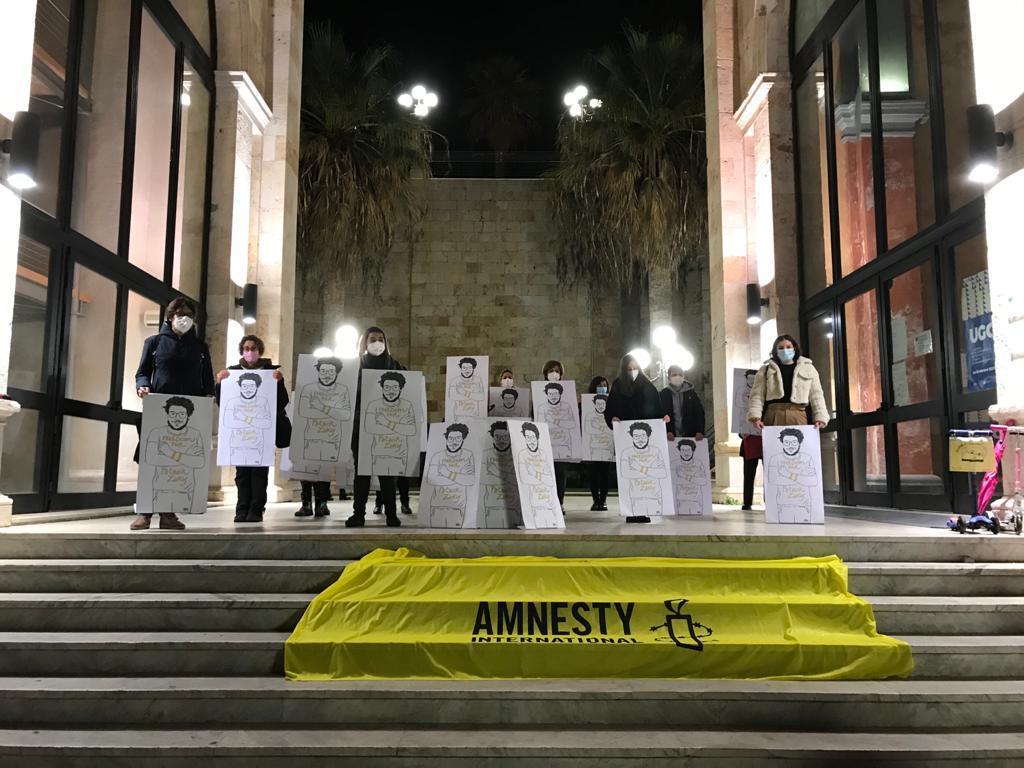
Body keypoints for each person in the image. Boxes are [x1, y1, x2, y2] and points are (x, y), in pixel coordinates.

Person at [132, 297, 215, 531]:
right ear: (169, 317)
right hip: (158, 410)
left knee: (177, 463)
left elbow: (206, 377)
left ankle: (169, 513)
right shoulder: (154, 342)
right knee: (151, 461)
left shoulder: (200, 347)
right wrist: (143, 386)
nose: (184, 318)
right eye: (179, 313)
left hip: (188, 412)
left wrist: (209, 394)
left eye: (188, 313)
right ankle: (144, 513)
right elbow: (142, 372)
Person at [215, 335, 289, 524]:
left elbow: (282, 403)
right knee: (241, 474)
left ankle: (256, 509)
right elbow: (222, 402)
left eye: (253, 348)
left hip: (261, 436)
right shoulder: (232, 373)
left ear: (260, 351)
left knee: (259, 473)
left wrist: (279, 383)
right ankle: (241, 509)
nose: (250, 352)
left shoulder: (271, 372)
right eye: (246, 348)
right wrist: (219, 383)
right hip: (240, 436)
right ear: (242, 351)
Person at [347, 326, 406, 528]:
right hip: (360, 426)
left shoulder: (395, 365)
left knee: (387, 473)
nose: (377, 342)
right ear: (365, 342)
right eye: (372, 339)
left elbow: (410, 387)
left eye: (381, 339)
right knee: (361, 473)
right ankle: (358, 514)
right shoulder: (355, 366)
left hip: (387, 430)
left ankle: (391, 514)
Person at [604, 354, 671, 523]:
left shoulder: (648, 386)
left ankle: (645, 509)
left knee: (645, 476)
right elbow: (610, 409)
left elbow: (657, 408)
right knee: (629, 475)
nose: (632, 372)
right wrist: (613, 419)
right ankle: (631, 510)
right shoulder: (618, 386)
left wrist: (663, 419)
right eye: (629, 369)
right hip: (626, 438)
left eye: (635, 368)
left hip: (645, 439)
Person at [746, 335, 829, 430]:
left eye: (788, 347)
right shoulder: (765, 370)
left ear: (794, 348)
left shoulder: (808, 368)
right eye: (781, 348)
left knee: (798, 443)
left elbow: (816, 395)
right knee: (774, 444)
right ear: (775, 351)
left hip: (798, 414)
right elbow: (757, 395)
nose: (785, 350)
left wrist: (821, 416)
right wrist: (755, 417)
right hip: (773, 415)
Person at [540, 360, 571, 507]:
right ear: (545, 373)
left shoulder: (567, 398)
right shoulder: (538, 396)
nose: (554, 373)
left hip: (561, 443)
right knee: (545, 473)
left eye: (557, 371)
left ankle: (560, 503)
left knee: (560, 473)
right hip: (545, 441)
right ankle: (547, 504)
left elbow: (571, 423)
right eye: (551, 370)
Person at [585, 375, 613, 511]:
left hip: (606, 445)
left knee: (604, 474)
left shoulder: (612, 402)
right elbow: (587, 427)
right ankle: (595, 500)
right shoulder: (587, 407)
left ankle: (603, 500)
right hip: (592, 446)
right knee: (593, 475)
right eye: (599, 385)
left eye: (604, 384)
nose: (602, 387)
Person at [660, 365, 705, 441]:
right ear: (669, 378)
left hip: (691, 435)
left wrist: (700, 431)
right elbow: (661, 414)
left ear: (684, 376)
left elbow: (699, 413)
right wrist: (667, 431)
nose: (678, 377)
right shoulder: (663, 394)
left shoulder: (691, 393)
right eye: (674, 375)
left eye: (680, 375)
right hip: (670, 437)